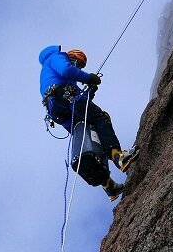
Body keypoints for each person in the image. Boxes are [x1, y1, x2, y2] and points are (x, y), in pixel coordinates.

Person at [39, 45, 140, 201]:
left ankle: (108, 184)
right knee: (100, 117)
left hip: (57, 109)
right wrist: (88, 77)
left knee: (88, 130)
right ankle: (118, 156)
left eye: (80, 66)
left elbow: (82, 104)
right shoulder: (57, 57)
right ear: (72, 56)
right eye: (78, 63)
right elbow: (66, 70)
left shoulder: (68, 82)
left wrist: (90, 91)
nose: (78, 67)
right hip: (60, 95)